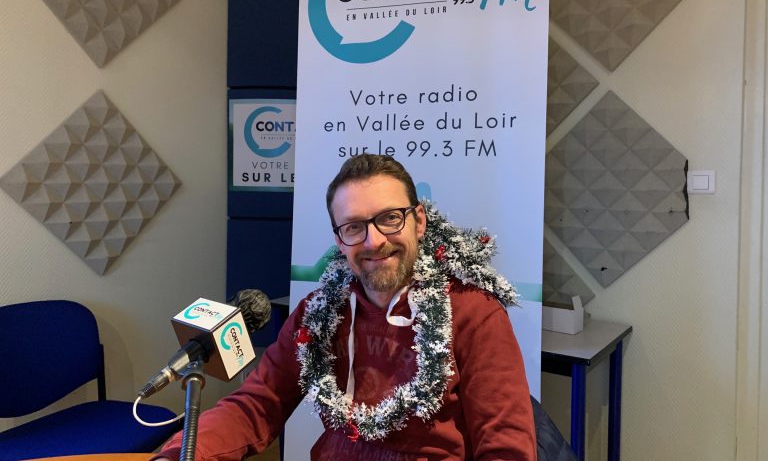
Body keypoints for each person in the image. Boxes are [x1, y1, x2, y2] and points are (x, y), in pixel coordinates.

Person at [154, 154, 536, 461]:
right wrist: (176, 455)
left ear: (418, 221)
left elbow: (507, 448)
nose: (374, 241)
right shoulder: (318, 314)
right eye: (354, 227)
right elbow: (257, 404)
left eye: (389, 218)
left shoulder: (472, 311)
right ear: (339, 240)